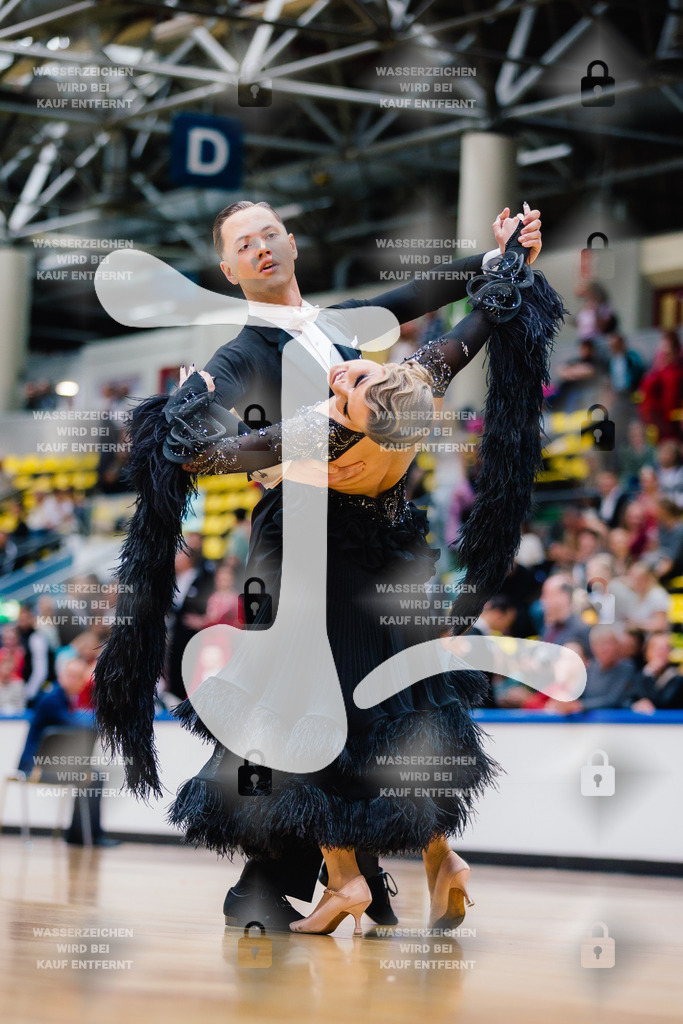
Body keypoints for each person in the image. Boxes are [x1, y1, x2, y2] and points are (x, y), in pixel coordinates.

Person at [94, 204, 548, 933]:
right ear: (229, 270)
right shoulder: (240, 355)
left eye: (269, 232)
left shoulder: (330, 326)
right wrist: (496, 269)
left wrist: (496, 258)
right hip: (387, 539)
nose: (260, 247)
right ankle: (437, 861)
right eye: (243, 243)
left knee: (305, 703)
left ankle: (346, 879)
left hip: (316, 545)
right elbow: (199, 447)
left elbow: (422, 294)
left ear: (293, 242)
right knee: (393, 700)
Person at [17, 657, 119, 847]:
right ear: (61, 676)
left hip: (52, 765)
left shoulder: (66, 699)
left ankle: (81, 835)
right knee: (92, 777)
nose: (73, 680)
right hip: (33, 767)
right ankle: (86, 836)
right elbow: (78, 725)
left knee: (91, 776)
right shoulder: (51, 699)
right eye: (70, 675)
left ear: (83, 681)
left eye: (78, 677)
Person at [629, 632, 683, 712]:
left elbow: (662, 703)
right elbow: (627, 699)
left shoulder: (677, 679)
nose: (660, 653)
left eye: (665, 649)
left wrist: (649, 674)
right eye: (656, 648)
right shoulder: (637, 675)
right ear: (647, 652)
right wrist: (636, 705)